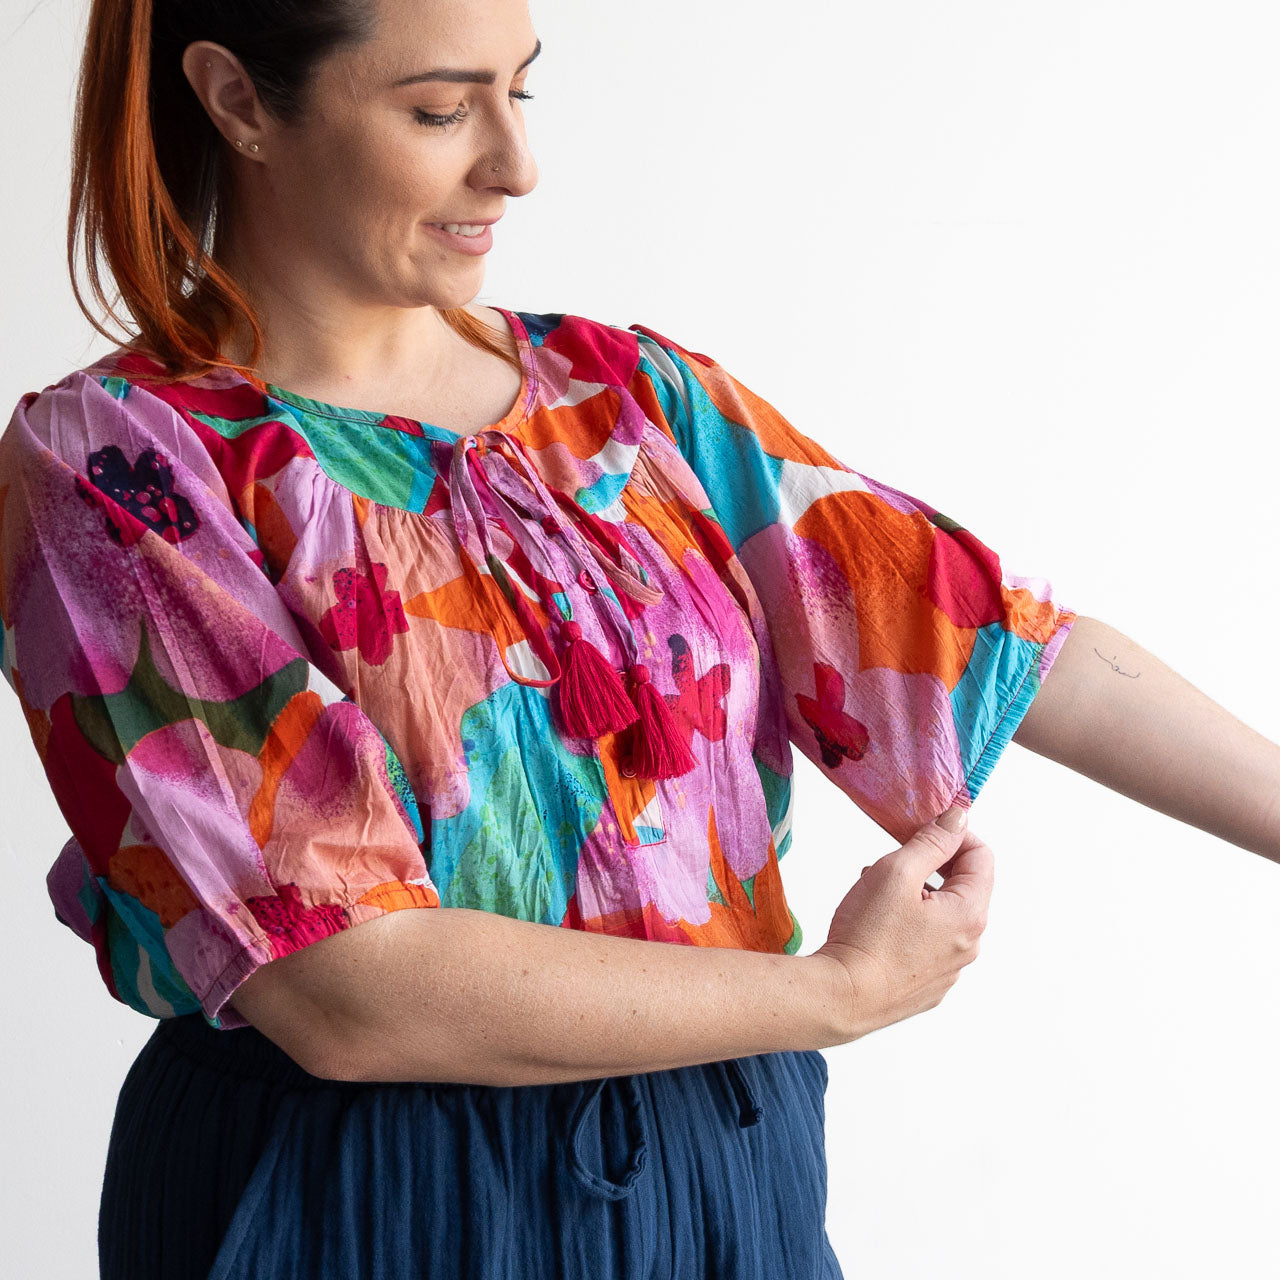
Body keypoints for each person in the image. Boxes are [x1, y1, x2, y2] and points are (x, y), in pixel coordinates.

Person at [2, 1, 1276, 1277]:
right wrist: (833, 994)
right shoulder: (117, 468)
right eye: (440, 110)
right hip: (361, 1187)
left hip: (725, 1156)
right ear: (234, 100)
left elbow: (988, 631)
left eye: (522, 92)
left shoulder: (625, 396)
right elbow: (344, 988)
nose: (515, 165)